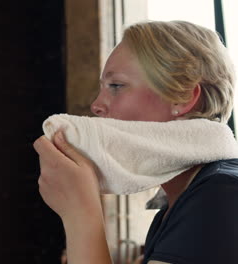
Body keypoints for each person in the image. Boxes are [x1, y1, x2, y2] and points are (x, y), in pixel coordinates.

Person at [34, 20, 238, 264]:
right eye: (103, 88)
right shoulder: (177, 205)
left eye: (116, 86)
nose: (96, 105)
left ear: (182, 98)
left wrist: (80, 214)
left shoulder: (221, 197)